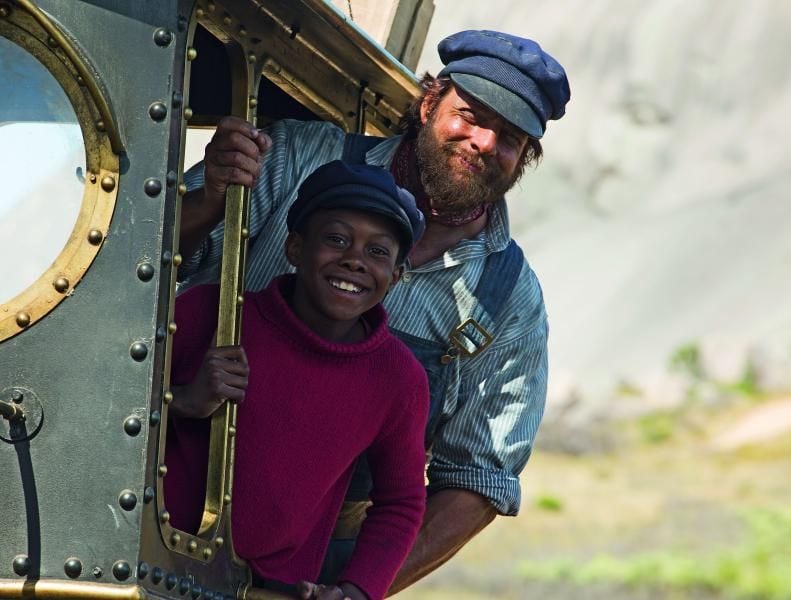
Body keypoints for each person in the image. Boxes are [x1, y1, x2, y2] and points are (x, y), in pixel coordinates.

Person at [178, 30, 570, 594]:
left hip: (319, 558)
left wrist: (359, 587)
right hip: (173, 499)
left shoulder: (509, 300)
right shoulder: (295, 160)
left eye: (509, 136)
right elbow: (154, 267)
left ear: (525, 158)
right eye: (470, 114)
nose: (483, 140)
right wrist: (210, 197)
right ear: (429, 102)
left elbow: (479, 477)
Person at [165, 160, 429, 600]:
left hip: (272, 591)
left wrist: (358, 589)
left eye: (378, 252)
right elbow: (110, 404)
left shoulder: (399, 379)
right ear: (294, 248)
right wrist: (185, 401)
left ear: (397, 276)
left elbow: (401, 502)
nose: (354, 260)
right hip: (155, 559)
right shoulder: (210, 312)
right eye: (336, 239)